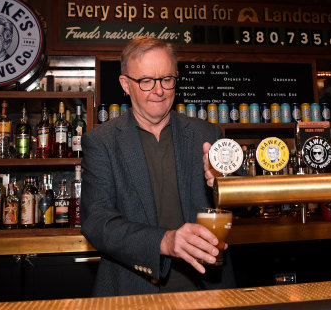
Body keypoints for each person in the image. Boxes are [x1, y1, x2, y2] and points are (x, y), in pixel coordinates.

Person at [81, 36, 236, 297]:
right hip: (132, 293)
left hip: (209, 290)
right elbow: (98, 222)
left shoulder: (207, 134)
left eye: (166, 79)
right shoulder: (101, 141)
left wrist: (225, 185)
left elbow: (245, 205)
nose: (159, 90)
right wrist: (165, 241)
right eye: (146, 81)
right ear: (125, 85)